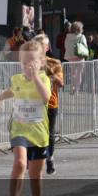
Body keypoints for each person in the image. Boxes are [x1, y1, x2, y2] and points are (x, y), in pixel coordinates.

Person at [0, 40, 52, 196]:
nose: (28, 66)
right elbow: (13, 90)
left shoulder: (44, 79)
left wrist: (35, 78)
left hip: (39, 133)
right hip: (19, 129)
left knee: (35, 176)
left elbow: (46, 97)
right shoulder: (17, 79)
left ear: (41, 62)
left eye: (32, 62)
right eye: (24, 62)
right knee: (19, 163)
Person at [34, 34, 64, 174]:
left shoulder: (55, 62)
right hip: (34, 102)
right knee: (35, 132)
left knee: (49, 133)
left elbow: (61, 83)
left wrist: (48, 71)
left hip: (51, 102)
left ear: (47, 48)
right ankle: (34, 159)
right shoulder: (31, 62)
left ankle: (49, 158)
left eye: (42, 45)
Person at [63, 21, 88, 92]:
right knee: (79, 74)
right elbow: (85, 46)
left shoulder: (67, 37)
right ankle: (77, 89)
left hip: (70, 58)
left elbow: (66, 46)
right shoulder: (82, 36)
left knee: (72, 73)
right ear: (79, 29)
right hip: (79, 57)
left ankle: (72, 87)